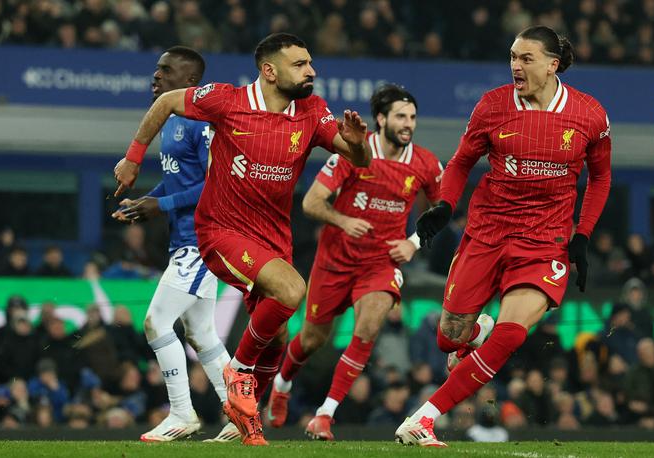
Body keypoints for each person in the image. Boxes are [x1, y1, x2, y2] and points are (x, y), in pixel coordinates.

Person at [113, 33, 371, 446]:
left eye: (310, 62)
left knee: (279, 338)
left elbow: (358, 158)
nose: (312, 71)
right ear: (269, 71)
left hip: (273, 239)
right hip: (221, 231)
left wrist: (359, 148)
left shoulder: (311, 111)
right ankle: (237, 374)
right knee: (292, 290)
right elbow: (164, 103)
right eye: (301, 64)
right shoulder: (226, 100)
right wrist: (132, 156)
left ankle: (240, 423)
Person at [397, 25, 612, 447]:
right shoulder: (493, 106)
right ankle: (476, 332)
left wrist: (582, 235)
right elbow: (460, 163)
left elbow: (602, 178)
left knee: (511, 333)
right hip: (488, 232)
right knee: (448, 339)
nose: (515, 65)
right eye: (512, 57)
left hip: (544, 241)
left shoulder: (589, 114)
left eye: (525, 58)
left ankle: (424, 417)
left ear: (552, 65)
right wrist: (443, 205)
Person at [263, 84, 445, 439]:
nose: (408, 124)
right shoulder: (353, 153)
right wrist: (344, 221)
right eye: (400, 117)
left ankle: (324, 415)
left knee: (370, 326)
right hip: (334, 262)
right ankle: (282, 383)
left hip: (381, 263)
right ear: (381, 119)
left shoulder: (425, 164)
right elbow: (311, 202)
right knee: (313, 339)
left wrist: (412, 243)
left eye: (412, 117)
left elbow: (441, 213)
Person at [111, 46, 232, 442]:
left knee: (156, 321)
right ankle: (241, 414)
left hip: (202, 239)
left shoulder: (203, 125)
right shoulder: (171, 122)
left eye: (166, 70)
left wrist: (159, 205)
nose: (156, 76)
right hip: (184, 240)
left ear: (191, 83)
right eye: (157, 69)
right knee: (203, 334)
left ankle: (182, 412)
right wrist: (144, 203)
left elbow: (216, 187)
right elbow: (181, 182)